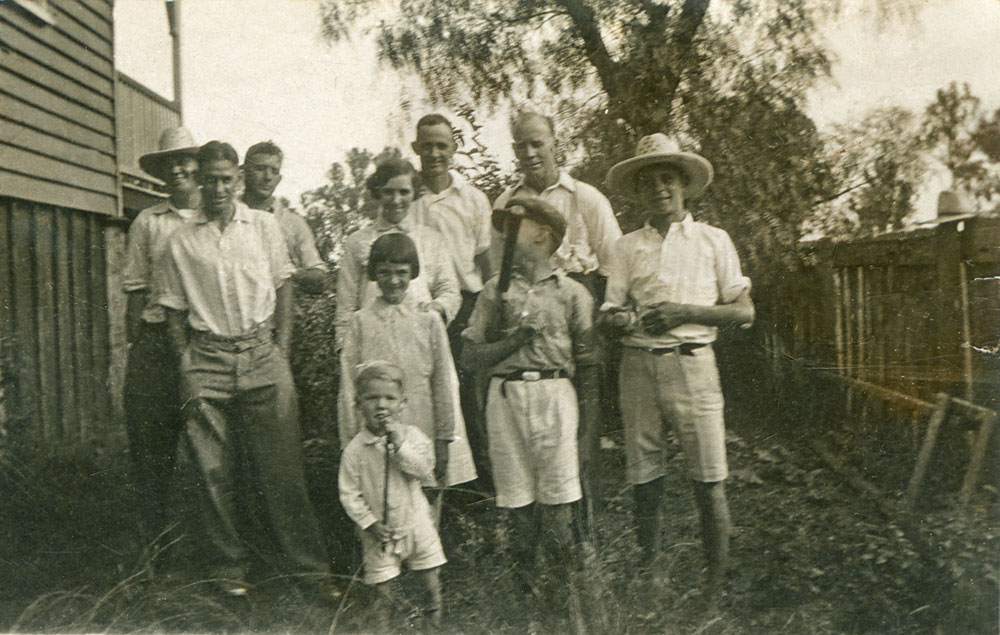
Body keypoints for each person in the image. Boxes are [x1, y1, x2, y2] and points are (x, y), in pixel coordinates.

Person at [155, 141, 331, 596]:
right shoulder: (179, 240)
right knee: (211, 474)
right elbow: (173, 309)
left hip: (261, 354)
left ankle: (310, 572)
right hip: (207, 359)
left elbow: (284, 286)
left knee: (283, 470)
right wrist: (185, 363)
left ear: (238, 180)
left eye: (226, 179)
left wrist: (281, 349)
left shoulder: (265, 226)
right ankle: (230, 570)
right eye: (209, 179)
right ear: (198, 180)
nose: (217, 188)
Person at [601, 133, 755, 606]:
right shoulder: (627, 247)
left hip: (693, 364)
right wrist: (621, 318)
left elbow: (743, 312)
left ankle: (714, 588)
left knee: (709, 480)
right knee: (644, 479)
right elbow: (609, 312)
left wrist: (685, 313)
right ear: (640, 191)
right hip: (640, 367)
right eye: (650, 182)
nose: (660, 189)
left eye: (668, 179)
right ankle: (651, 576)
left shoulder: (713, 240)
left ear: (684, 185)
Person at [461, 197, 600, 598]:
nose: (504, 235)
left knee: (558, 503)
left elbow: (589, 365)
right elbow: (471, 358)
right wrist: (516, 340)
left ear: (542, 235)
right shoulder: (494, 291)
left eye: (514, 227)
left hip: (556, 395)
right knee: (518, 504)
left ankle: (559, 598)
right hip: (505, 398)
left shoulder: (573, 294)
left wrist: (589, 431)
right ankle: (526, 597)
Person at [338, 233, 476, 500]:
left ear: (413, 273)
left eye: (401, 272)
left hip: (422, 430)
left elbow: (443, 383)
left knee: (424, 509)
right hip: (374, 436)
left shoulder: (429, 321)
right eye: (384, 272)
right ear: (373, 275)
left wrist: (445, 439)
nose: (393, 280)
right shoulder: (360, 323)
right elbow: (347, 387)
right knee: (382, 506)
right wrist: (350, 442)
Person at [122, 126, 201, 547]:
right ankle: (156, 548)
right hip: (156, 341)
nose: (178, 169)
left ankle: (220, 548)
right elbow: (134, 290)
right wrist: (136, 346)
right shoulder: (148, 222)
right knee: (152, 445)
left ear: (198, 166)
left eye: (185, 160)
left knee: (212, 448)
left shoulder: (215, 215)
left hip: (206, 337)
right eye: (169, 163)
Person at [409, 113, 493, 487]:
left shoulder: (472, 199)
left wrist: (492, 308)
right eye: (426, 145)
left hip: (468, 306)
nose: (434, 153)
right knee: (431, 394)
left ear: (455, 148)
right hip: (423, 308)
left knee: (472, 396)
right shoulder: (407, 199)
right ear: (415, 149)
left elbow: (485, 260)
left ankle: (484, 485)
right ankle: (442, 482)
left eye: (442, 145)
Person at [339, 361, 446, 628]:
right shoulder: (355, 450)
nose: (381, 405)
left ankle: (432, 628)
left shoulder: (414, 437)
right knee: (382, 599)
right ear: (358, 404)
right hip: (379, 534)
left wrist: (400, 446)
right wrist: (370, 524)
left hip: (417, 525)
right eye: (372, 398)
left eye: (389, 398)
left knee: (430, 589)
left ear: (403, 403)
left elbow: (423, 469)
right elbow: (349, 493)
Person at [334, 158, 460, 353]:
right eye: (388, 191)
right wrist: (345, 348)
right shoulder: (357, 241)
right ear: (377, 192)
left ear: (414, 193)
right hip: (372, 340)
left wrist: (436, 308)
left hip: (419, 338)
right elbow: (346, 302)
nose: (396, 200)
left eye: (404, 192)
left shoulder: (431, 239)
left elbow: (449, 290)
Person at [493, 112, 622, 300]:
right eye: (522, 146)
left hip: (579, 298)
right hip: (523, 300)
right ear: (514, 150)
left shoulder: (586, 197)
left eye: (537, 144)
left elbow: (615, 264)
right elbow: (497, 267)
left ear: (555, 145)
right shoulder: (505, 203)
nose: (529, 154)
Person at [241, 140, 327, 294]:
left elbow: (318, 277)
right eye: (260, 169)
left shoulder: (292, 222)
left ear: (279, 178)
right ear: (244, 172)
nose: (267, 177)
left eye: (274, 171)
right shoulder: (230, 214)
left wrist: (284, 271)